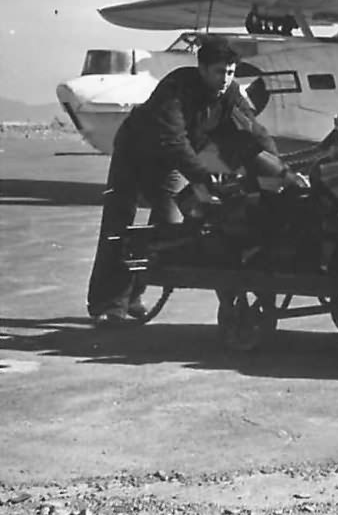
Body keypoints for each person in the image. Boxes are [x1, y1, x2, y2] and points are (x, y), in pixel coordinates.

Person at [86, 35, 282, 324]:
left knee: (170, 225)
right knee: (118, 224)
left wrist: (278, 168)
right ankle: (107, 303)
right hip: (134, 155)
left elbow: (253, 131)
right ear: (202, 69)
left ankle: (134, 294)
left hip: (170, 162)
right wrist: (203, 178)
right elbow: (175, 141)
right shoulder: (176, 88)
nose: (225, 79)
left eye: (230, 72)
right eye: (219, 72)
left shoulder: (230, 94)